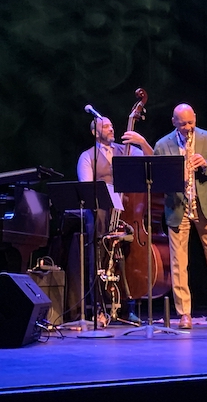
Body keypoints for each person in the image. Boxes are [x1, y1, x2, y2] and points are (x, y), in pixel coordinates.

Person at [62, 116, 152, 324]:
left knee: (128, 252)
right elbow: (87, 188)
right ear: (95, 132)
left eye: (112, 125)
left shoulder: (126, 151)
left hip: (127, 212)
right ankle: (98, 306)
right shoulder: (87, 156)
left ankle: (129, 304)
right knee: (97, 248)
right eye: (106, 126)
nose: (112, 128)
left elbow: (150, 159)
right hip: (101, 210)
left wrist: (142, 142)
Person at [153, 103, 207, 329]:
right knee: (179, 263)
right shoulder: (162, 144)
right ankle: (184, 314)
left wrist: (205, 164)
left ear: (195, 119)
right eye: (182, 124)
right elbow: (156, 178)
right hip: (178, 208)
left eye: (191, 123)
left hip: (205, 207)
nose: (188, 128)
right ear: (174, 123)